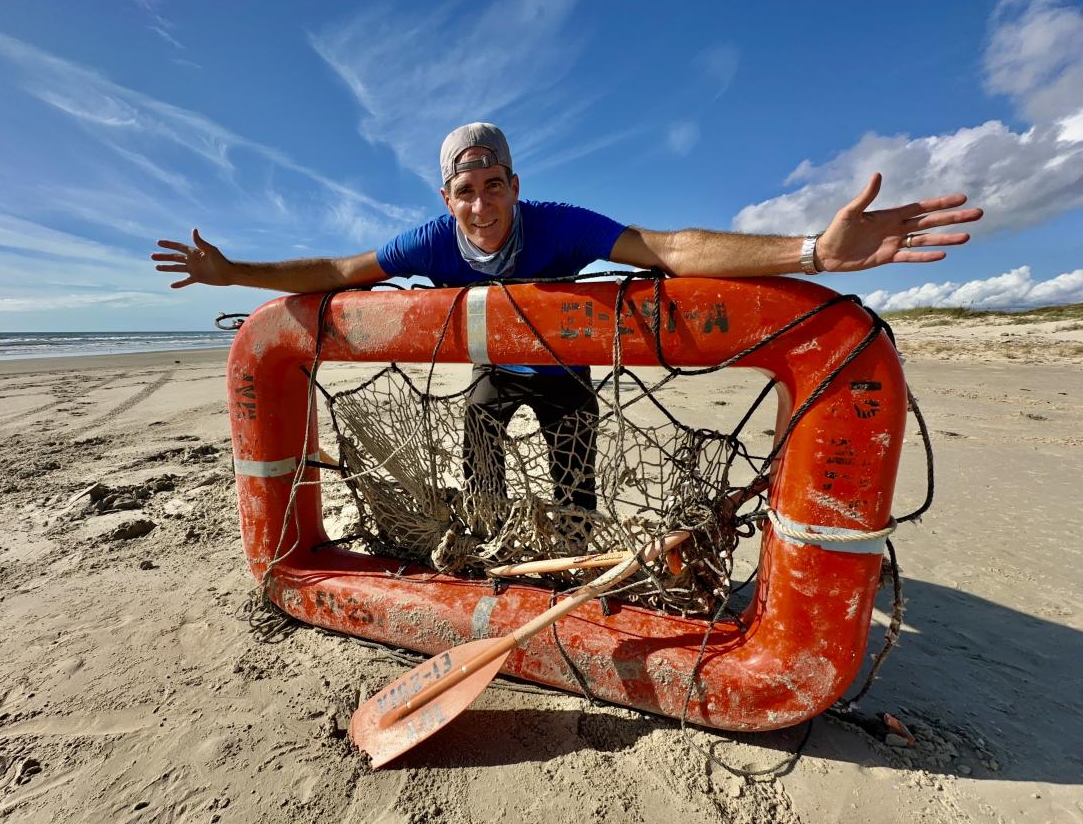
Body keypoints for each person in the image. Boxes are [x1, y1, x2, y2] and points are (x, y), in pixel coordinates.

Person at [152, 122, 982, 532]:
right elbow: (336, 275)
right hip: (493, 370)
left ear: (515, 183)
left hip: (564, 372)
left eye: (494, 185)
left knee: (576, 469)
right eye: (464, 191)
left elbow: (669, 248)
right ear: (446, 198)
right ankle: (486, 540)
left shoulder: (560, 225)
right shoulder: (431, 241)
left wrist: (813, 252)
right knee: (478, 429)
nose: (481, 206)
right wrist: (233, 273)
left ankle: (573, 544)